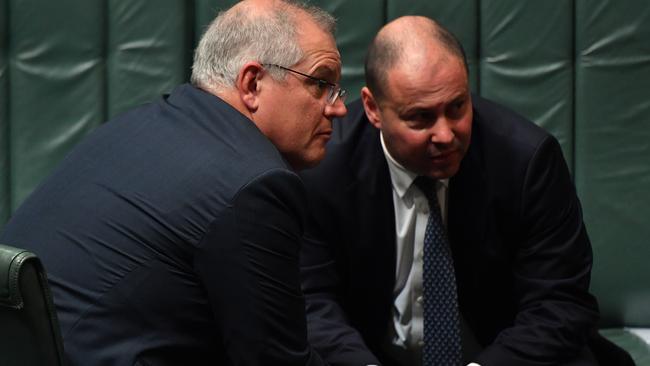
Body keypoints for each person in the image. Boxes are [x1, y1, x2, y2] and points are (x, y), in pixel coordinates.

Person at [0, 0, 346, 365]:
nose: (337, 107)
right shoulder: (254, 183)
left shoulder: (140, 125)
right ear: (252, 83)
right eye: (321, 83)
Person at [300, 16, 633, 366]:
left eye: (457, 107)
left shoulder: (527, 161)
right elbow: (310, 302)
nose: (445, 135)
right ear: (373, 109)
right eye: (420, 117)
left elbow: (560, 305)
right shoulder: (323, 168)